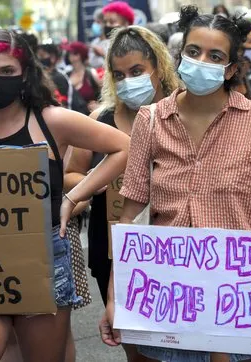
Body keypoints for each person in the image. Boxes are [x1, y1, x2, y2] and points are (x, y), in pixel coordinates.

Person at [87, 6, 251, 362]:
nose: (201, 61)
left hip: (237, 304)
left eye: (215, 56)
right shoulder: (150, 121)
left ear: (229, 68)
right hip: (169, 303)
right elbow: (128, 220)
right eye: (193, 52)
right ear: (180, 57)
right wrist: (114, 297)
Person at [0, 29, 130, 362]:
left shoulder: (53, 120)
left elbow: (124, 146)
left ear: (25, 74)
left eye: (7, 71)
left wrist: (74, 197)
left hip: (42, 261)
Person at [65, 24, 179, 308]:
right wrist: (92, 179)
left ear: (159, 68)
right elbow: (69, 176)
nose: (128, 81)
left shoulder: (183, 113)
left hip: (173, 244)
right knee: (134, 344)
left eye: (137, 72)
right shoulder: (97, 122)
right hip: (111, 249)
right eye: (119, 75)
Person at [64, 41, 101, 115]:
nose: (70, 55)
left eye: (74, 53)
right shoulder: (66, 75)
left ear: (80, 55)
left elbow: (104, 95)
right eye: (69, 53)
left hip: (91, 118)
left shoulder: (91, 73)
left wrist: (100, 106)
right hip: (71, 119)